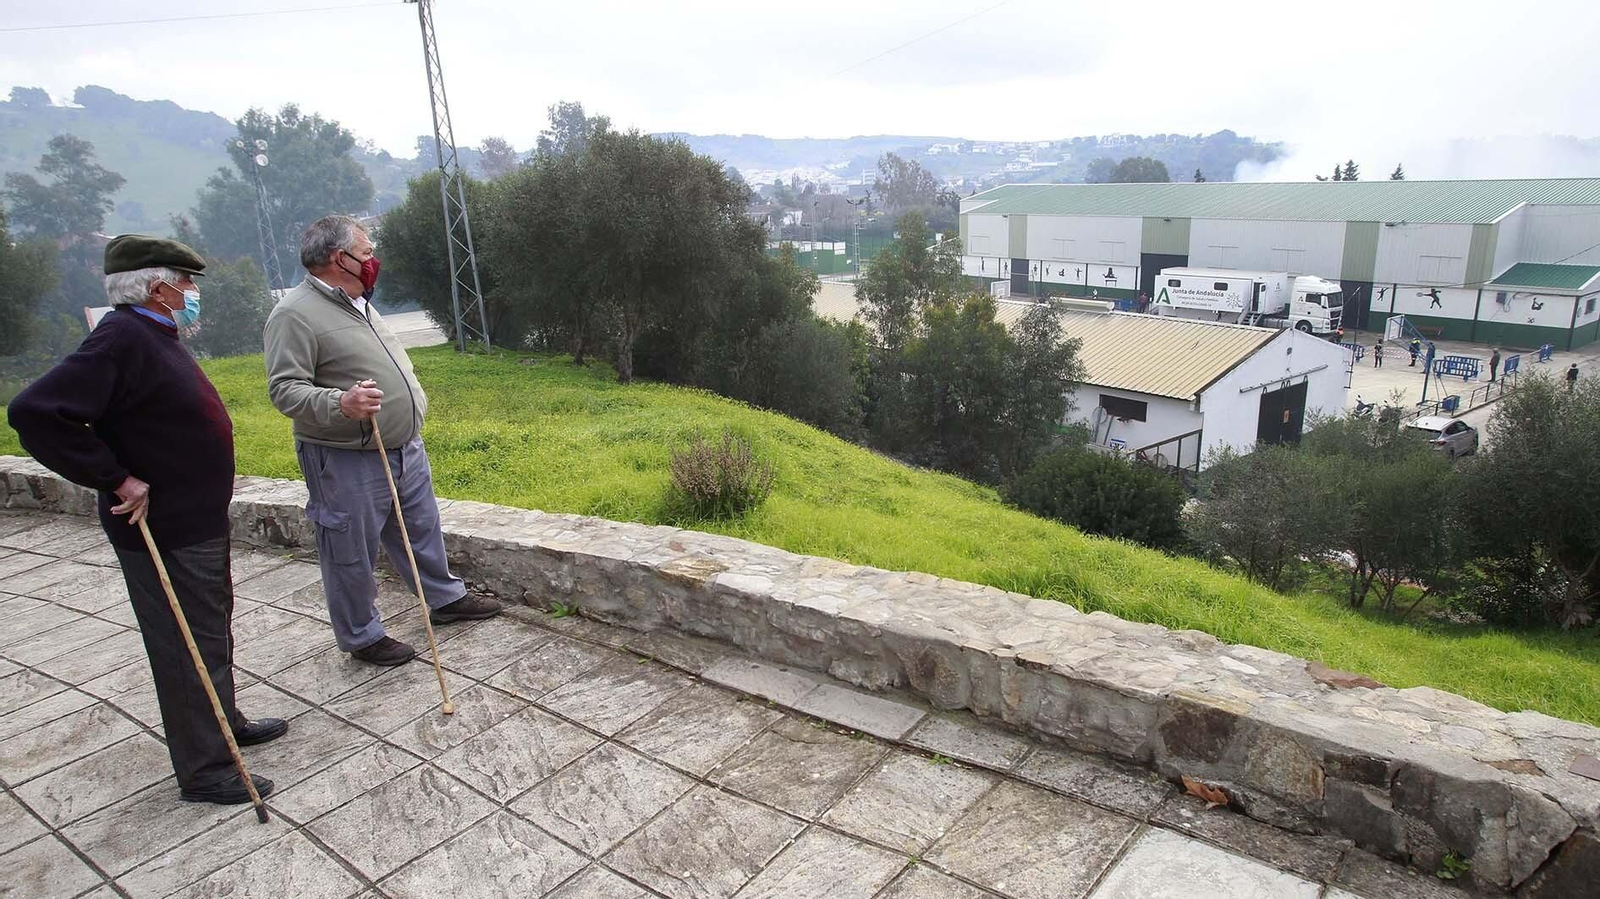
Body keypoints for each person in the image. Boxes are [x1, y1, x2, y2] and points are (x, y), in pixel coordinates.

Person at [7, 236, 283, 805]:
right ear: (156, 286)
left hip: (194, 519)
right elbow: (34, 412)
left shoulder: (152, 333)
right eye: (185, 283)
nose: (190, 292)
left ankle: (223, 722)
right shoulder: (118, 339)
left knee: (207, 628)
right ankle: (206, 769)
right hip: (163, 527)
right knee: (184, 642)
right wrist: (114, 476)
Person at [263, 215, 501, 667]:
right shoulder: (294, 314)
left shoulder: (358, 300)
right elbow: (284, 389)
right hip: (345, 456)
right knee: (349, 548)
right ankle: (361, 634)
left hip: (402, 445)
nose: (373, 261)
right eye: (367, 252)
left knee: (420, 529)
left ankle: (444, 598)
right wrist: (341, 402)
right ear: (341, 258)